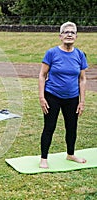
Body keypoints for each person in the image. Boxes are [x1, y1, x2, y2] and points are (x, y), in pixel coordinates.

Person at [38, 21, 88, 169]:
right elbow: (42, 75)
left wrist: (82, 101)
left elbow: (82, 79)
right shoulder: (52, 53)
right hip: (52, 96)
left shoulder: (79, 54)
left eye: (72, 32)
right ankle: (44, 158)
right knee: (49, 127)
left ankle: (71, 154)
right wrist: (41, 97)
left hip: (72, 98)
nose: (69, 34)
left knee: (72, 127)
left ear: (76, 36)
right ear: (60, 36)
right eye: (66, 32)